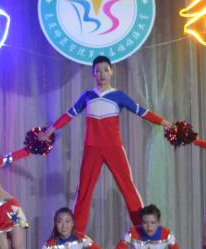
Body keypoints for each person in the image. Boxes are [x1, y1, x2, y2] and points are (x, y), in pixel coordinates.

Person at [38, 55, 173, 233]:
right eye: (98, 71)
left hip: (113, 148)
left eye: (105, 70)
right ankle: (76, 234)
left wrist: (165, 123)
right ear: (93, 73)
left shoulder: (119, 96)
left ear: (111, 72)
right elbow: (69, 115)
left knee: (127, 186)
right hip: (91, 148)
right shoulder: (88, 96)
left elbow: (142, 111)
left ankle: (141, 230)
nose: (102, 74)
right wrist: (49, 131)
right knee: (84, 191)